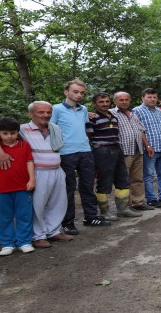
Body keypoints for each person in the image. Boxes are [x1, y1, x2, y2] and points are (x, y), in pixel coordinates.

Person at [0, 102, 73, 250]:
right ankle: (38, 236)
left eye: (48, 112)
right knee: (37, 205)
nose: (46, 115)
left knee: (57, 203)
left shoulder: (54, 128)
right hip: (38, 172)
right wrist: (0, 153)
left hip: (56, 170)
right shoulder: (21, 129)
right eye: (41, 112)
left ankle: (53, 231)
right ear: (30, 114)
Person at [51, 79, 110, 234]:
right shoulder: (55, 109)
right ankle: (68, 222)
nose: (79, 95)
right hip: (65, 153)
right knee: (68, 189)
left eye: (82, 93)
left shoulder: (83, 109)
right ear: (66, 92)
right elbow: (50, 130)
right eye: (75, 91)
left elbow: (84, 126)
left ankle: (90, 217)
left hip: (85, 151)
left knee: (87, 186)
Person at [87, 92, 142, 220]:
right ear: (94, 104)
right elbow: (87, 136)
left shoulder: (113, 116)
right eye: (101, 102)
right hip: (101, 151)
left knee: (123, 179)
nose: (105, 104)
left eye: (107, 101)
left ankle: (123, 209)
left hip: (117, 149)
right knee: (104, 182)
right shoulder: (92, 118)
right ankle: (104, 212)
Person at [0, 118, 35, 256]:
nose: (9, 136)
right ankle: (7, 243)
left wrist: (32, 179)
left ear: (18, 133)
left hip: (23, 187)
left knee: (24, 215)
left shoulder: (24, 145)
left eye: (12, 133)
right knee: (3, 217)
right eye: (5, 133)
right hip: (1, 188)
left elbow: (29, 162)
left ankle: (24, 241)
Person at [109, 91, 155, 211]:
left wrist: (148, 146)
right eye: (121, 100)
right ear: (115, 101)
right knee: (123, 180)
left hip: (138, 151)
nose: (124, 102)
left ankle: (138, 202)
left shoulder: (133, 113)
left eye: (126, 100)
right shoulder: (111, 113)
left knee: (137, 178)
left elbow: (141, 131)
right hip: (124, 152)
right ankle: (126, 206)